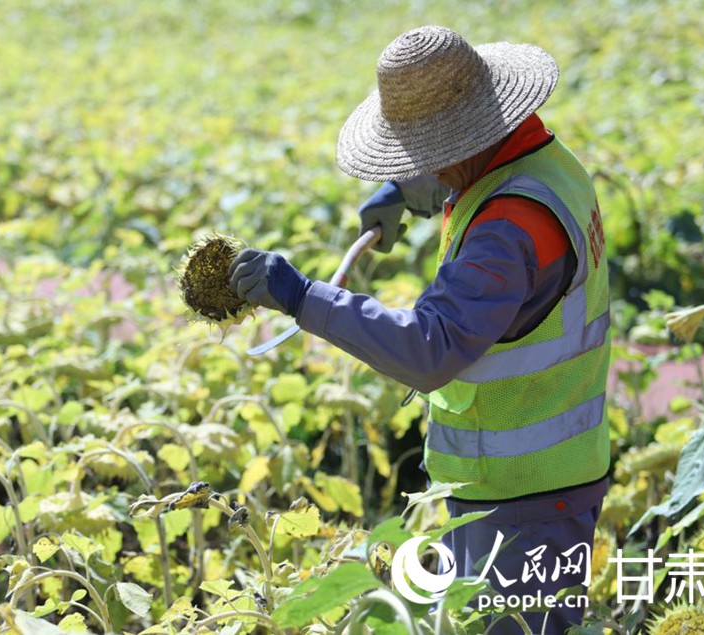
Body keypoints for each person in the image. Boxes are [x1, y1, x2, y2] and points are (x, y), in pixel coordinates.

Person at [228, 25, 610, 634]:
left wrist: (302, 297)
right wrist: (410, 189)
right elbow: (478, 169)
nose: (418, 165)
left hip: (522, 495)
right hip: (538, 479)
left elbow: (430, 349)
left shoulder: (506, 230)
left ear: (463, 141)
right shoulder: (548, 165)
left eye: (421, 155)